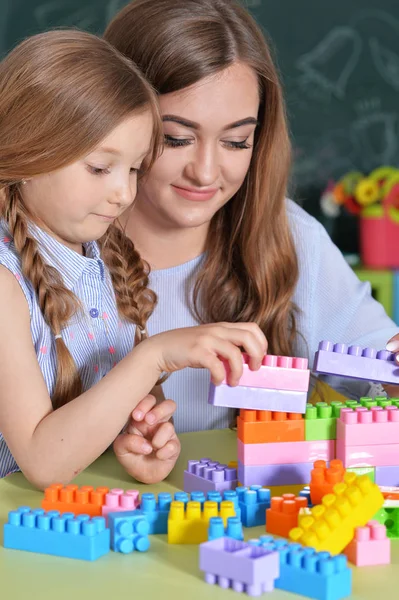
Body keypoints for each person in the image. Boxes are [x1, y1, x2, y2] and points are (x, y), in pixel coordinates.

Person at [104, 0, 399, 448]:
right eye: (176, 138)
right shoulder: (39, 250)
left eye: (236, 141)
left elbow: (380, 370)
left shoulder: (289, 237)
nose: (205, 172)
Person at [0, 29, 267, 487]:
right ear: (30, 151)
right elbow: (42, 462)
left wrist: (133, 436)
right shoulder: (5, 283)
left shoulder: (96, 254)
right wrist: (154, 357)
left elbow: (77, 435)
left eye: (135, 169)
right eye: (100, 168)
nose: (124, 194)